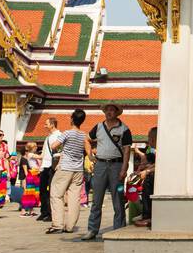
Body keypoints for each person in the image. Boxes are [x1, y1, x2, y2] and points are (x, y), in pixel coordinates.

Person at [83, 103, 133, 241]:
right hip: (100, 165)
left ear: (117, 113)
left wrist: (124, 168)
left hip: (117, 166)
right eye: (107, 110)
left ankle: (119, 228)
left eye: (112, 110)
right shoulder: (99, 127)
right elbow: (86, 139)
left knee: (118, 199)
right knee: (96, 199)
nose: (109, 112)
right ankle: (92, 229)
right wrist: (90, 155)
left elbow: (127, 150)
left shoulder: (124, 129)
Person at [47, 109, 88, 233]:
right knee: (74, 198)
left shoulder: (67, 133)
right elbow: (87, 149)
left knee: (56, 194)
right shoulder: (84, 135)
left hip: (65, 167)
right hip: (78, 170)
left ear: (71, 119)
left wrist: (61, 145)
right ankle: (70, 226)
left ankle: (58, 225)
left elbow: (53, 145)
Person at [132, 127, 158, 227]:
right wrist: (146, 168)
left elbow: (161, 165)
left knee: (148, 180)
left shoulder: (160, 149)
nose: (148, 140)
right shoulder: (154, 150)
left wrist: (147, 171)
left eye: (149, 137)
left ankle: (148, 216)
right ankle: (145, 214)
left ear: (153, 139)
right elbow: (156, 164)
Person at [37, 117, 60, 221]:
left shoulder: (59, 135)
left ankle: (51, 214)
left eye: (46, 124)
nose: (45, 126)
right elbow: (43, 154)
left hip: (53, 165)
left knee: (51, 190)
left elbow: (59, 152)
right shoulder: (48, 137)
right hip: (45, 166)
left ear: (52, 124)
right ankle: (44, 211)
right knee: (42, 190)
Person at [19, 143, 41, 216]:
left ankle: (31, 211)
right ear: (32, 147)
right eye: (35, 146)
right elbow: (41, 157)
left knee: (34, 193)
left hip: (36, 173)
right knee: (28, 193)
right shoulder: (30, 154)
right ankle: (23, 210)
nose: (36, 147)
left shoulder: (32, 155)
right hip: (32, 174)